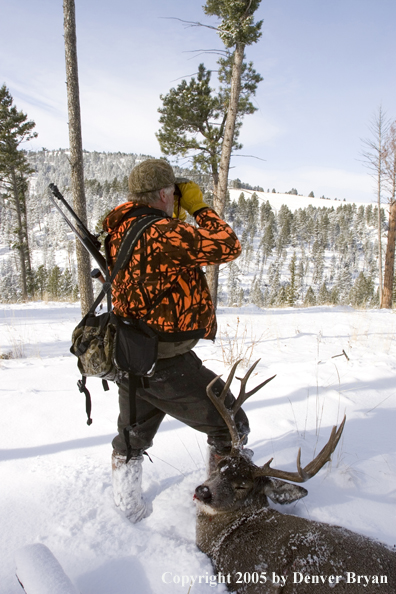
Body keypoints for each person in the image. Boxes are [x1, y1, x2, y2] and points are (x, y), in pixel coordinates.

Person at [103, 159, 250, 522]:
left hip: (130, 355)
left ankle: (126, 509)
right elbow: (228, 245)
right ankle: (219, 508)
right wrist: (199, 207)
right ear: (165, 193)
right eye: (175, 193)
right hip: (164, 362)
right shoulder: (161, 232)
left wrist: (174, 218)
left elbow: (161, 261)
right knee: (231, 425)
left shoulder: (122, 226)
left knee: (131, 439)